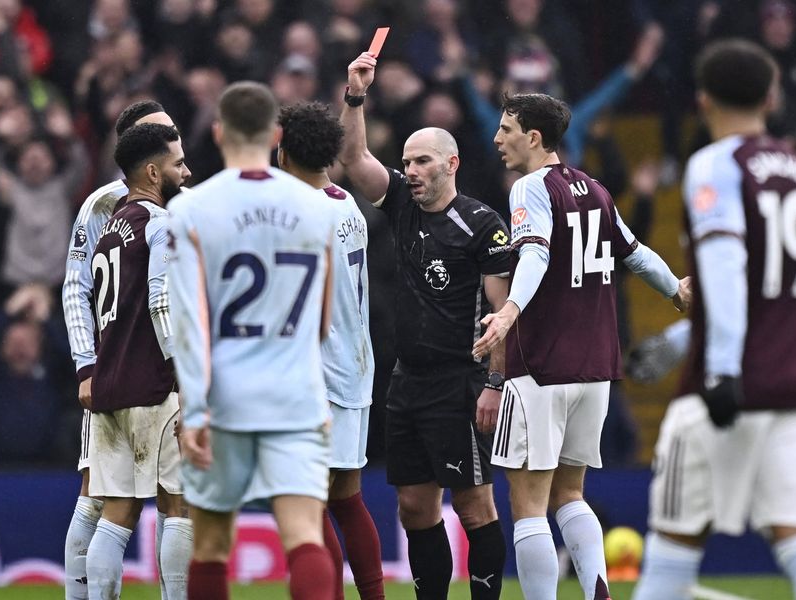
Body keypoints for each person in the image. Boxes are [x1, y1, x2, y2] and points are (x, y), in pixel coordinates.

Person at [633, 39, 796, 600]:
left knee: (671, 554)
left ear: (702, 100)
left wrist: (722, 369)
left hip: (730, 383)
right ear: (771, 98)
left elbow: (726, 269)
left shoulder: (714, 164)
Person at [472, 93, 689, 600]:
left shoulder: (529, 187)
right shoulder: (595, 189)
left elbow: (535, 254)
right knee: (570, 494)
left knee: (528, 504)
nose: (497, 139)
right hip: (594, 367)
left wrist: (509, 311)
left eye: (506, 130)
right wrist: (675, 291)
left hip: (541, 364)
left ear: (533, 138)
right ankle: (598, 593)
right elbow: (635, 253)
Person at [340, 52, 512, 599]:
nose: (410, 170)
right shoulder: (401, 205)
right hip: (406, 380)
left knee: (474, 505)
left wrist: (494, 384)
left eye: (422, 161)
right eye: (407, 162)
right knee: (414, 506)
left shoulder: (482, 225)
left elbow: (502, 314)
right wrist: (355, 95)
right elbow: (353, 156)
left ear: (451, 164)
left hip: (460, 382)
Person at [168, 81, 335, 600]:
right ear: (276, 135)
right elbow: (322, 321)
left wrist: (195, 410)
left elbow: (189, 321)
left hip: (224, 400)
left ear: (219, 134)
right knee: (305, 537)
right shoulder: (317, 207)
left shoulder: (192, 209)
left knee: (211, 546)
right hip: (296, 394)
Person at [59, 100, 185, 600]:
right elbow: (77, 288)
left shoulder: (153, 206)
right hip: (142, 372)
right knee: (136, 500)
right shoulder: (107, 206)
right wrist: (85, 365)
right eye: (160, 136)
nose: (173, 142)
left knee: (117, 509)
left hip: (120, 376)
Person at [276, 101, 385, 600]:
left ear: (284, 153)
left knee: (309, 505)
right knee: (346, 497)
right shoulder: (348, 206)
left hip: (316, 373)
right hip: (354, 367)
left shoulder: (298, 215)